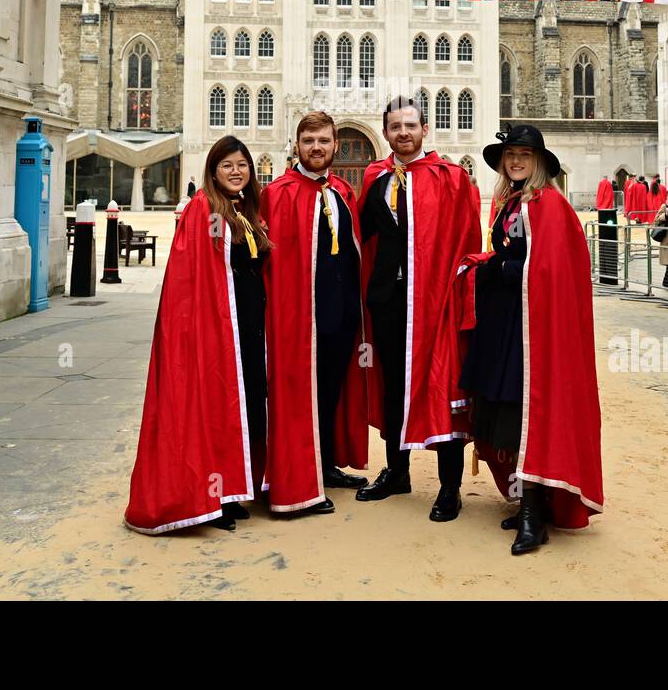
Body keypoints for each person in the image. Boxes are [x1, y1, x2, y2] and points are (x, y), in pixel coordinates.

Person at [455, 125, 603, 554]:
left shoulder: (551, 205)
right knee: (505, 414)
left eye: (524, 154)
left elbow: (551, 270)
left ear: (539, 161)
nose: (516, 161)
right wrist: (487, 267)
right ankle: (525, 502)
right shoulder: (507, 203)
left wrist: (497, 270)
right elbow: (508, 255)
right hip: (504, 326)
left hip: (536, 332)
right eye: (510, 155)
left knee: (531, 413)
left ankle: (535, 515)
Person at [125, 136, 270, 534]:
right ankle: (213, 499)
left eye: (242, 164)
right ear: (212, 171)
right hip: (217, 329)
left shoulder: (245, 211)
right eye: (227, 165)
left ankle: (231, 490)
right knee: (215, 408)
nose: (236, 171)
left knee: (246, 409)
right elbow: (190, 280)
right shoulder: (201, 209)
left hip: (248, 329)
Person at [355, 96, 482, 522]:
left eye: (411, 125)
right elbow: (362, 236)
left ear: (425, 129)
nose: (403, 133)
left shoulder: (450, 178)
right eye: (395, 127)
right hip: (388, 304)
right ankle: (398, 472)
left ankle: (450, 487)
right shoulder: (375, 178)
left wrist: (457, 297)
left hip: (433, 302)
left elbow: (466, 238)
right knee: (393, 387)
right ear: (387, 133)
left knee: (442, 387)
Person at [260, 112, 369, 516]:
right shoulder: (279, 193)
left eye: (324, 140)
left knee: (331, 391)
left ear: (335, 145)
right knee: (301, 392)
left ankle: (325, 466)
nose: (316, 147)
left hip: (342, 315)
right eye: (309, 141)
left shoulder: (342, 191)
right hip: (301, 316)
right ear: (297, 145)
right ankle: (299, 474)